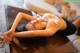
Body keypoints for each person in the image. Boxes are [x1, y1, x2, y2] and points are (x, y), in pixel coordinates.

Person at [4, 12, 79, 44]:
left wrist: (12, 30)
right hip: (69, 29)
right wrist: (14, 34)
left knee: (69, 19)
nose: (33, 22)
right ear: (40, 31)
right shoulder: (50, 30)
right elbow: (33, 33)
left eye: (30, 23)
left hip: (63, 20)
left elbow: (21, 14)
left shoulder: (38, 20)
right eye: (34, 27)